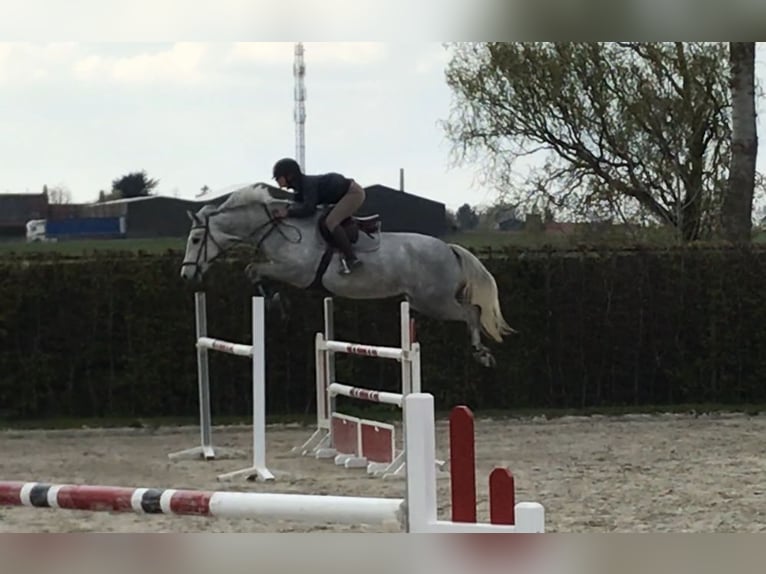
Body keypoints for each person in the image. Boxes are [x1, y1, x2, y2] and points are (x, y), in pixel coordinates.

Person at [271, 157, 365, 274]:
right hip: (339, 197)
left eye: (278, 178)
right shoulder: (300, 188)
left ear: (289, 175)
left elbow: (309, 210)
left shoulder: (307, 185)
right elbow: (295, 205)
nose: (277, 182)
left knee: (331, 222)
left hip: (353, 193)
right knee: (322, 221)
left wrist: (287, 213)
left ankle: (351, 258)